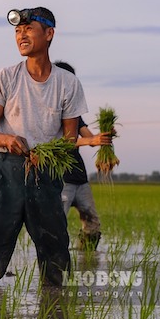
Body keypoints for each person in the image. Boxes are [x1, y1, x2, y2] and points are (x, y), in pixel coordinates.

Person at [0, 7, 88, 288]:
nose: (21, 34)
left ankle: (55, 317)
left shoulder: (68, 83)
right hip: (5, 172)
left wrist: (45, 155)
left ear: (49, 34)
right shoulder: (6, 77)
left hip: (45, 173)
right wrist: (7, 140)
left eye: (28, 28)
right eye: (17, 31)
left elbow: (69, 140)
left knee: (55, 251)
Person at [53, 61, 112, 251]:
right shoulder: (51, 112)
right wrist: (90, 141)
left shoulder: (74, 112)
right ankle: (56, 265)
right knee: (56, 226)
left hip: (80, 179)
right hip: (61, 180)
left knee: (92, 223)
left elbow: (88, 136)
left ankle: (87, 259)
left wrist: (103, 137)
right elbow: (60, 141)